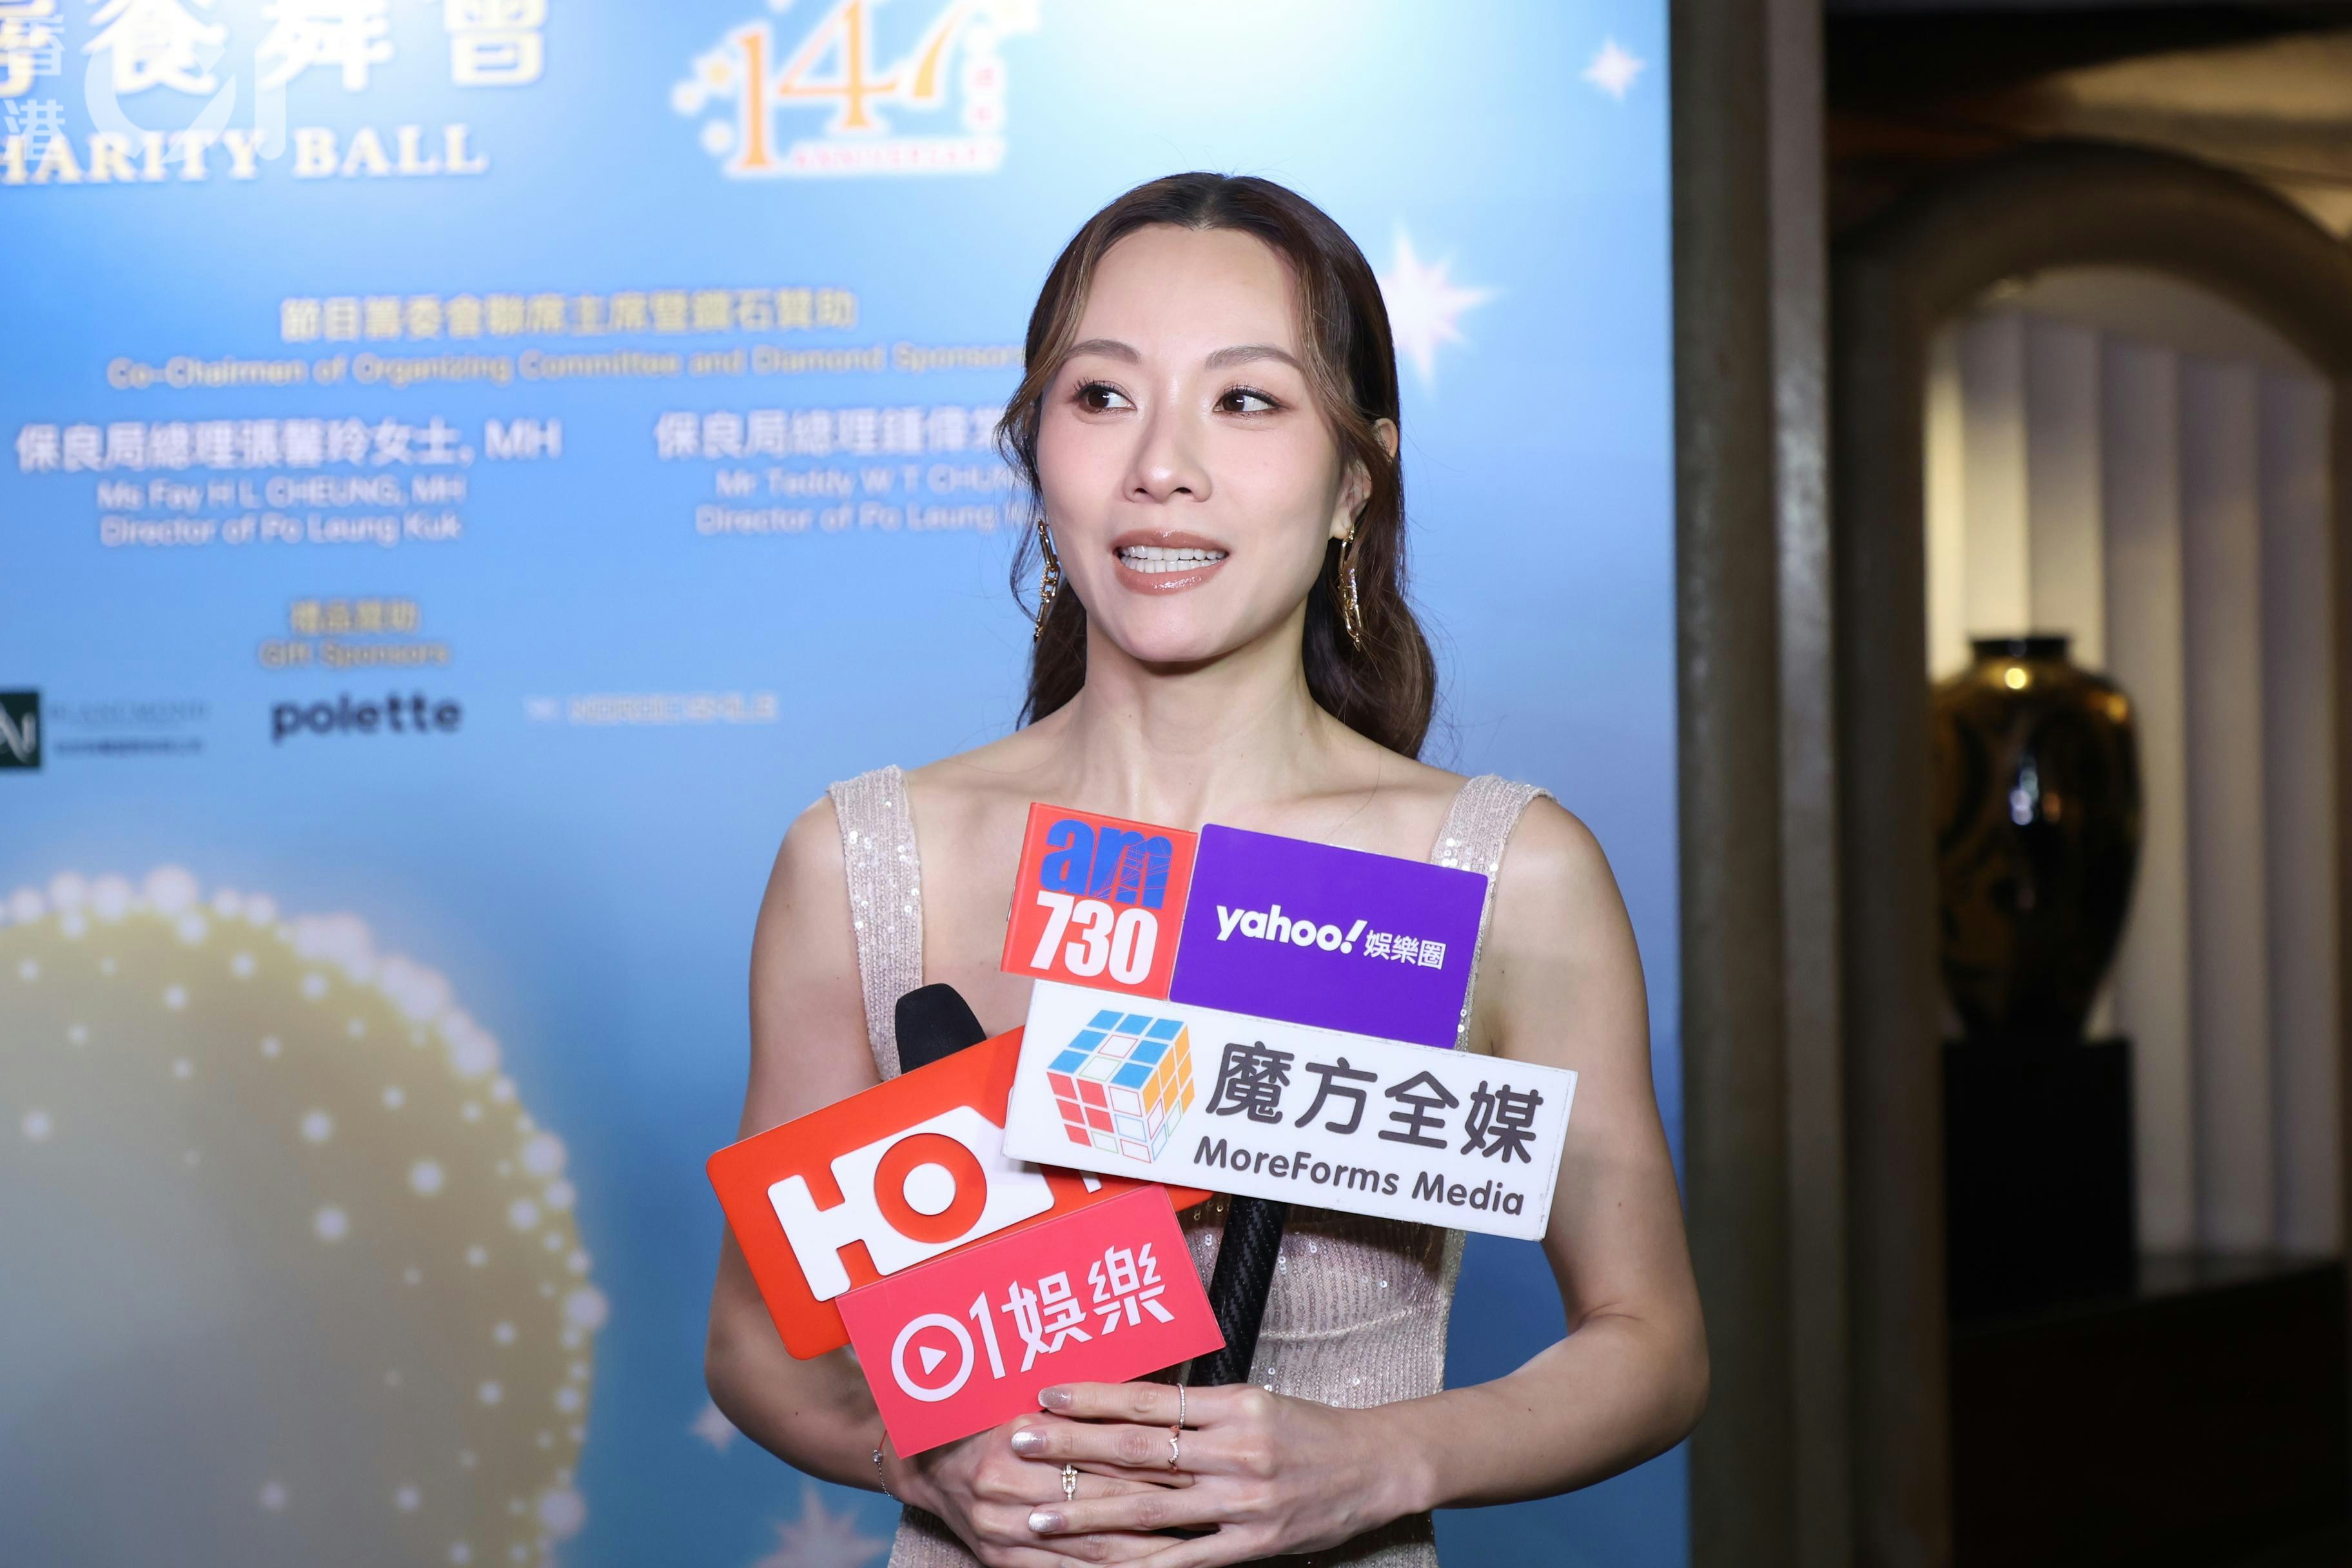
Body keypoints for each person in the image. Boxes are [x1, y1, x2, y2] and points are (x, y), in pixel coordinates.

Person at [703, 172, 1705, 1568]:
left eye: (1245, 400)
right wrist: (927, 1464)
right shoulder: (867, 860)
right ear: (1036, 455)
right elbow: (755, 1343)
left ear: (1356, 478)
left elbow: (1652, 1341)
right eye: (1102, 395)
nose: (1160, 464)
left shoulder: (1506, 875)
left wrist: (1377, 1459)